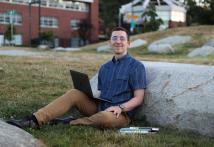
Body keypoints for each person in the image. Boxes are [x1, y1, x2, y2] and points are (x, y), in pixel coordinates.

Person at [7, 27, 147, 129]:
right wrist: (87, 95)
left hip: (120, 115)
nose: (118, 41)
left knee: (104, 118)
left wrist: (120, 107)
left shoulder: (136, 67)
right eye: (114, 38)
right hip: (100, 107)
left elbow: (138, 98)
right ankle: (35, 120)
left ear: (129, 43)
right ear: (109, 43)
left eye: (122, 38)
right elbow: (102, 93)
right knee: (74, 93)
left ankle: (70, 122)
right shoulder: (105, 67)